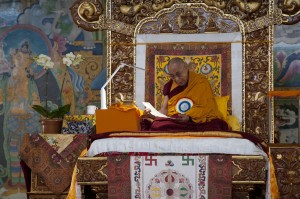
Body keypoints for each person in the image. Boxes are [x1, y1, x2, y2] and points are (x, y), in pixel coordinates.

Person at [142, 57, 229, 131]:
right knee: (157, 125)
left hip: (197, 121)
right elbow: (164, 111)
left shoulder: (200, 82)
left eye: (178, 74)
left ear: (186, 68)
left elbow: (208, 108)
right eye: (172, 76)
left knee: (217, 125)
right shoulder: (169, 86)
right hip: (176, 121)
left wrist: (189, 117)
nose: (176, 79)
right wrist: (152, 114)